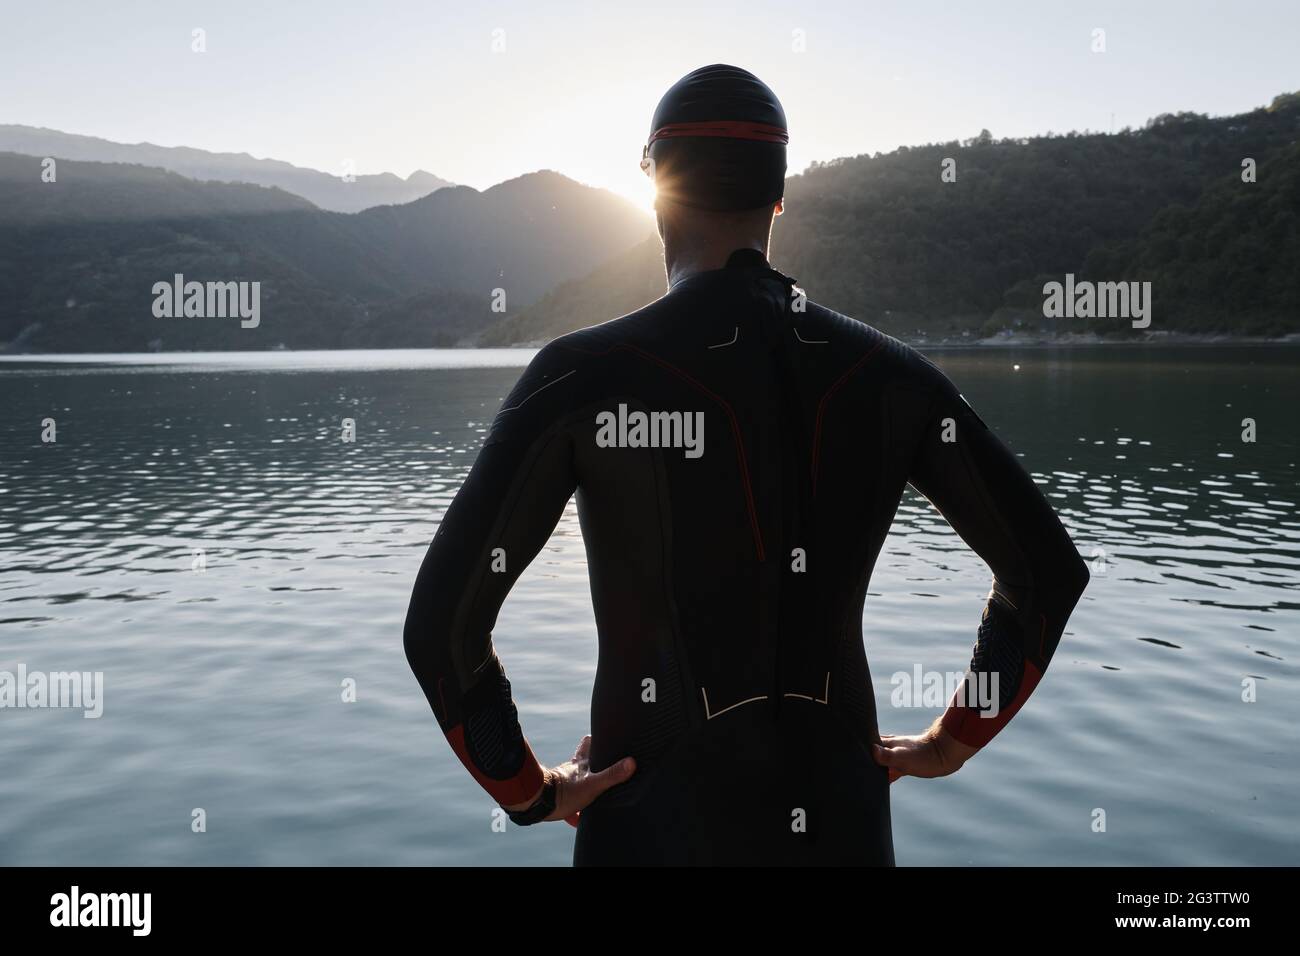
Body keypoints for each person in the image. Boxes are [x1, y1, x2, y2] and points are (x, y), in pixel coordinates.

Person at [403, 64, 1089, 865]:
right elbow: (1045, 573)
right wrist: (952, 740)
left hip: (650, 831)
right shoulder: (891, 375)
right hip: (842, 826)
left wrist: (531, 793)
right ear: (780, 193)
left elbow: (442, 632)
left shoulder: (581, 376)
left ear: (655, 184)